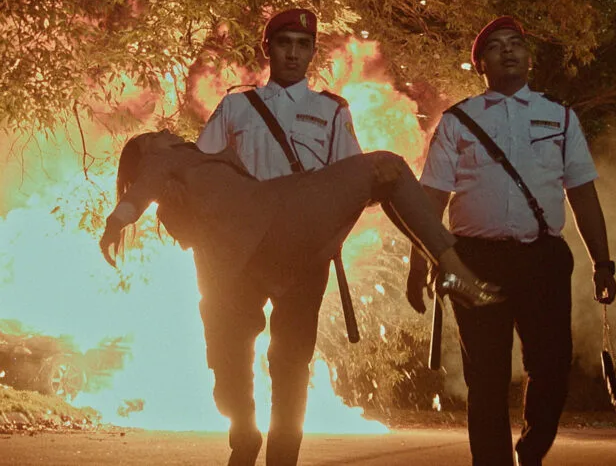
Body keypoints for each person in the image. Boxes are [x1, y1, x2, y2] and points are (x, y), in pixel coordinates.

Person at [98, 130, 502, 464]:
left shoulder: (198, 161)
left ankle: (448, 265)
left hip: (276, 224)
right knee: (387, 168)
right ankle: (449, 264)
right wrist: (116, 221)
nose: (166, 130)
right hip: (271, 233)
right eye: (154, 135)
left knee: (387, 172)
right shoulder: (163, 161)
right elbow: (141, 192)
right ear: (146, 152)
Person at [405, 16, 616, 466]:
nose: (507, 50)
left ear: (528, 56)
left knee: (552, 369)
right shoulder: (458, 121)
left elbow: (582, 193)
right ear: (481, 64)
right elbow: (431, 198)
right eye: (495, 46)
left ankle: (532, 452)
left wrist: (603, 262)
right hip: (474, 260)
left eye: (516, 43)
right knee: (486, 377)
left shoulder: (559, 116)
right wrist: (419, 262)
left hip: (542, 259)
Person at [194, 7, 361, 465]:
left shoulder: (332, 111)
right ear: (267, 48)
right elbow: (203, 171)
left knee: (290, 363)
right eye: (284, 43)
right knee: (230, 355)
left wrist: (332, 238)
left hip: (304, 253)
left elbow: (354, 184)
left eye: (303, 45)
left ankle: (282, 459)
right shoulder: (236, 106)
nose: (293, 53)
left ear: (312, 52)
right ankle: (243, 431)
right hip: (241, 251)